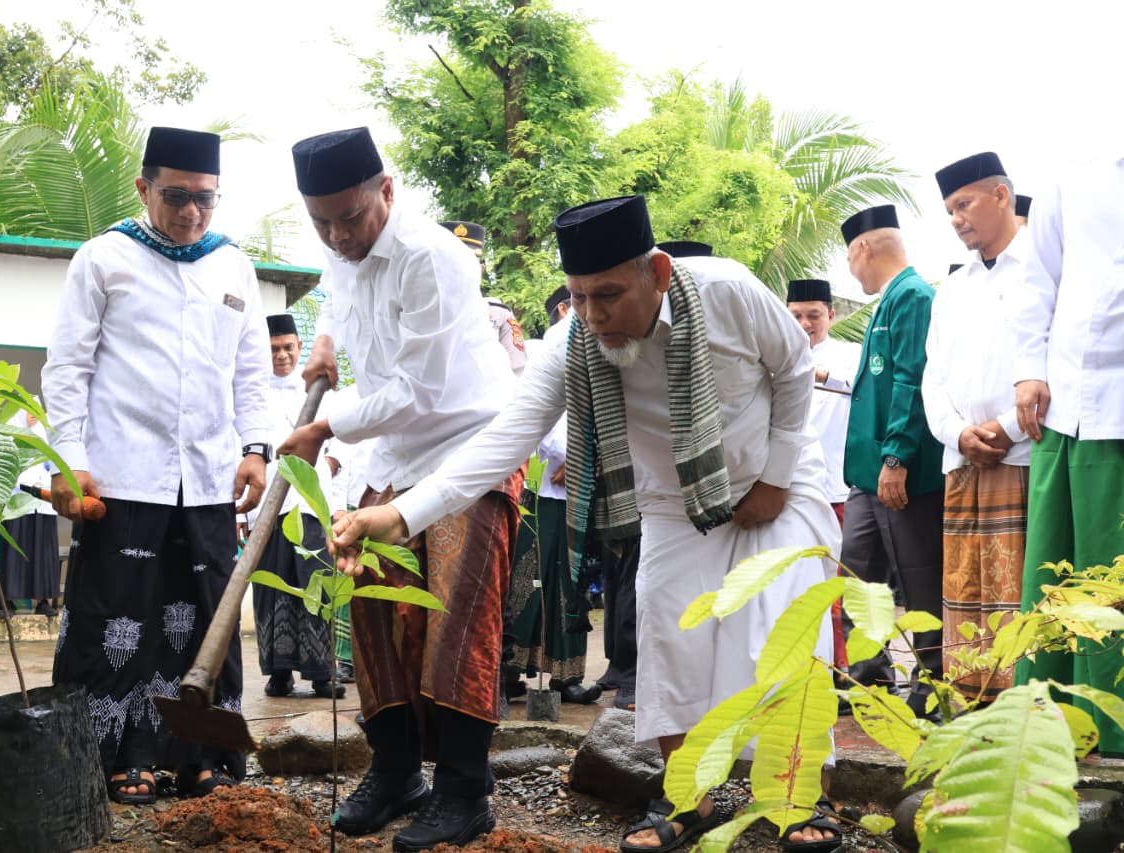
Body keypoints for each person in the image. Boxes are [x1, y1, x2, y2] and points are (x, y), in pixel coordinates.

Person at [331, 195, 843, 852]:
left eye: (609, 295)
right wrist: (400, 513)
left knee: (784, 629)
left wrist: (773, 476)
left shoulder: (727, 292)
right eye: (580, 297)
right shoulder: (573, 344)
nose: (595, 316)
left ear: (656, 272)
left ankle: (801, 794)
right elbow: (504, 440)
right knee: (669, 638)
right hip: (674, 503)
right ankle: (690, 795)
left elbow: (795, 369)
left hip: (779, 480)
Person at [278, 126, 520, 851]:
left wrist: (324, 424)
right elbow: (338, 290)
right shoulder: (336, 242)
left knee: (455, 615)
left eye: (349, 217)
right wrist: (323, 334)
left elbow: (419, 387)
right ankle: (394, 774)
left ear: (387, 190)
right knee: (378, 616)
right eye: (321, 221)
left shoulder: (433, 257)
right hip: (390, 456)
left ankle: (463, 791)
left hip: (469, 447)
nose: (337, 235)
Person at [43, 126, 272, 804]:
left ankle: (203, 755)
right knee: (119, 616)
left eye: (206, 199)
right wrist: (68, 457)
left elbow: (251, 372)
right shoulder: (103, 258)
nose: (192, 213)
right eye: (176, 196)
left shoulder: (233, 267)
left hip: (207, 479)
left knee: (207, 617)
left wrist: (257, 447)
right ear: (144, 188)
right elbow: (68, 366)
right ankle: (121, 755)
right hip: (123, 474)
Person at [1010, 157, 1124, 756]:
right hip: (1071, 408)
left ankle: (1116, 729)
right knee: (1058, 577)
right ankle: (1048, 725)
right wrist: (1029, 368)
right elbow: (1038, 281)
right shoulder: (1078, 172)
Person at [922, 153, 1031, 703]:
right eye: (949, 211)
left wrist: (1009, 428)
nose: (957, 219)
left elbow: (1054, 361)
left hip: (1026, 458)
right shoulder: (952, 288)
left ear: (1001, 196)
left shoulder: (1042, 268)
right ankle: (972, 708)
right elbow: (932, 378)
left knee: (1024, 595)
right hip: (965, 463)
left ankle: (1029, 710)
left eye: (964, 204)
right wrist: (957, 433)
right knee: (968, 595)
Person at [840, 205, 945, 718]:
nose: (850, 269)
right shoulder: (888, 300)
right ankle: (870, 675)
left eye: (848, 258)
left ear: (862, 248)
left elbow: (912, 378)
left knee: (918, 575)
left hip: (899, 470)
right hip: (865, 476)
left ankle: (931, 682)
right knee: (859, 576)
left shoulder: (913, 297)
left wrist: (897, 455)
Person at [245, 313, 345, 699]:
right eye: (274, 350)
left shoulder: (322, 394)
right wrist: (248, 512)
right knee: (272, 589)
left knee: (315, 584)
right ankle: (279, 673)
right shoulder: (252, 396)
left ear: (300, 348)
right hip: (269, 507)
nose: (282, 355)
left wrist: (334, 502)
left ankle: (322, 674)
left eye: (288, 347)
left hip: (311, 505)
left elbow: (342, 449)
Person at [506, 338, 601, 706]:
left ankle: (568, 677)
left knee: (569, 584)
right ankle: (509, 670)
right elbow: (538, 427)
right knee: (527, 580)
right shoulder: (538, 375)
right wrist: (574, 456)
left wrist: (582, 460)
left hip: (575, 499)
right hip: (537, 494)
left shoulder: (589, 382)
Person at [786, 278, 861, 677]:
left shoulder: (851, 355)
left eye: (814, 315)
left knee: (839, 587)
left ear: (831, 315)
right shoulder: (775, 355)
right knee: (799, 586)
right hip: (791, 493)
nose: (804, 324)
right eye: (796, 315)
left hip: (840, 489)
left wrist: (819, 374)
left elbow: (860, 390)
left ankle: (845, 669)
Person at [441, 219, 528, 377]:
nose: (458, 271)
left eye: (466, 264)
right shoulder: (411, 312)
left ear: (480, 270)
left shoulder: (500, 315)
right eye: (450, 263)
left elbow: (518, 376)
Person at [0, 410, 61, 617]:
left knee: (42, 554)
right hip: (18, 504)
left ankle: (42, 601)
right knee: (15, 552)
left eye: (37, 414)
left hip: (42, 504)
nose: (33, 417)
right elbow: (3, 468)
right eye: (29, 413)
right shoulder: (10, 438)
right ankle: (8, 601)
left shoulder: (46, 438)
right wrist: (24, 484)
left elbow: (55, 466)